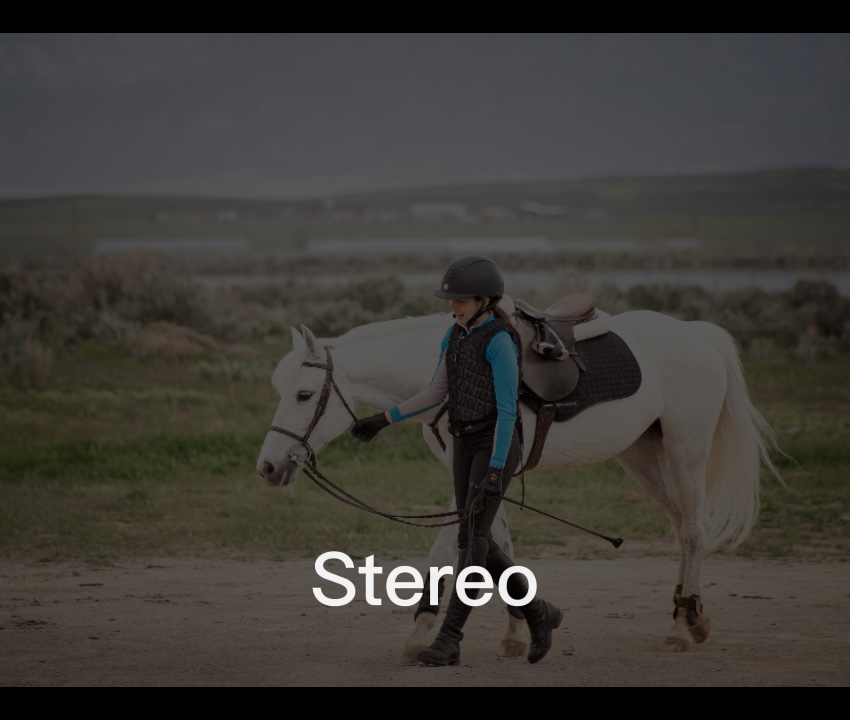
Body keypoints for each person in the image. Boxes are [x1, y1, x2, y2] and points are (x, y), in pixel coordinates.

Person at [350, 254, 563, 666]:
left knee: (473, 543)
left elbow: (507, 411)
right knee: (476, 539)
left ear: (485, 300)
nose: (454, 306)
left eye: (461, 300)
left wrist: (497, 467)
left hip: (494, 444)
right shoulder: (454, 335)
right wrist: (383, 419)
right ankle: (539, 612)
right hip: (462, 444)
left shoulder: (500, 341)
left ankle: (449, 638)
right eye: (452, 300)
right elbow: (435, 392)